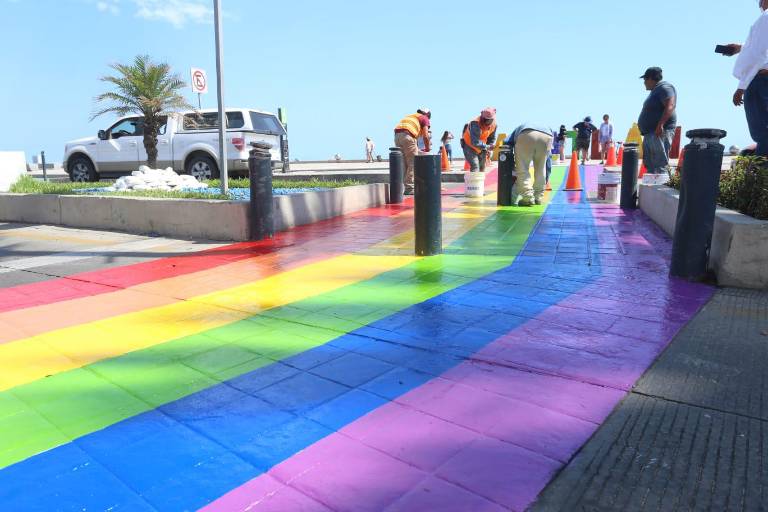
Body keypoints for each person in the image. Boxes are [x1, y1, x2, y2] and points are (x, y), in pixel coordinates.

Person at [723, 0, 768, 156]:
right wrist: (740, 48)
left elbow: (757, 53)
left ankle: (762, 178)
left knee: (762, 132)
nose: (760, 5)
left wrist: (741, 86)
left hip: (760, 80)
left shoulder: (766, 17)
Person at [638, 67, 677, 174]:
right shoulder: (656, 90)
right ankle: (653, 188)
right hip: (651, 133)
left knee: (660, 165)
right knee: (651, 166)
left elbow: (670, 105)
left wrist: (660, 125)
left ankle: (663, 187)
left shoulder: (664, 87)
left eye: (645, 80)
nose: (644, 83)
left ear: (651, 78)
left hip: (659, 132)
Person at [505, 123, 554, 206]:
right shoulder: (546, 127)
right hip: (547, 136)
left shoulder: (519, 127)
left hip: (526, 134)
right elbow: (548, 161)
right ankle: (538, 197)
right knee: (541, 169)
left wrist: (511, 165)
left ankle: (527, 198)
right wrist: (547, 176)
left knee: (523, 169)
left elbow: (506, 142)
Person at [394, 108, 431, 194]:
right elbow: (425, 136)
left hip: (397, 136)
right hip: (408, 136)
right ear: (427, 115)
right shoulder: (424, 118)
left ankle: (403, 187)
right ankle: (409, 188)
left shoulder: (411, 117)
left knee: (404, 164)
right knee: (413, 163)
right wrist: (428, 148)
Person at [461, 108, 498, 172]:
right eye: (485, 119)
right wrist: (487, 147)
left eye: (488, 120)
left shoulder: (494, 125)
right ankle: (474, 182)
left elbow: (491, 138)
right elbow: (475, 142)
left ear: (492, 119)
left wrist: (490, 146)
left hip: (482, 147)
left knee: (482, 167)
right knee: (475, 166)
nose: (486, 121)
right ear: (482, 116)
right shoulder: (476, 124)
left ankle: (480, 182)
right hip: (469, 146)